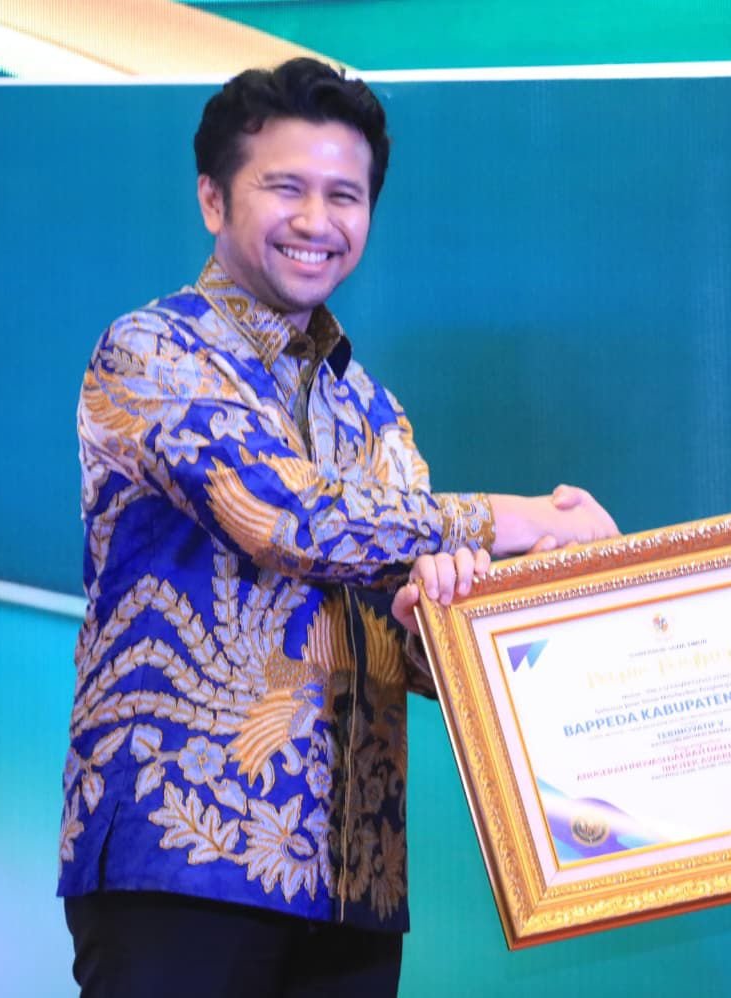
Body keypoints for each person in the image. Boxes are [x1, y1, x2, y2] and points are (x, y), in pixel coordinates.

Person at [57, 57, 616, 997]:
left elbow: (420, 635)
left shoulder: (372, 411)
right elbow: (285, 519)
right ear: (212, 199)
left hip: (357, 879)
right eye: (287, 188)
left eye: (345, 196)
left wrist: (450, 608)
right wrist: (517, 519)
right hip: (185, 855)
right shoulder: (152, 350)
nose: (318, 221)